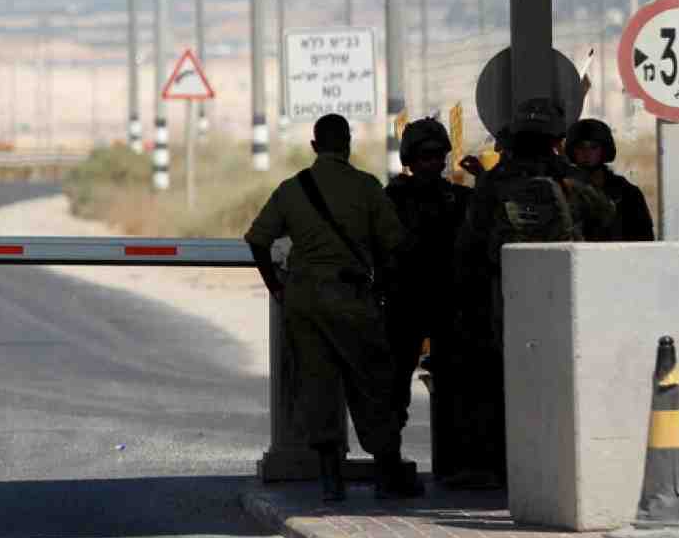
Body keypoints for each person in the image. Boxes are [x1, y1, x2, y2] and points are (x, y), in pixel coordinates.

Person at [245, 113, 421, 502]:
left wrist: (276, 286)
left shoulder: (292, 190)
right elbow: (394, 246)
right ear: (348, 144)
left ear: (314, 146)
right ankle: (385, 476)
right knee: (373, 383)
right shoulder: (366, 187)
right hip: (353, 298)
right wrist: (385, 290)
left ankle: (330, 482)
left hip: (304, 302)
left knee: (317, 383)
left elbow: (257, 238)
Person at [452, 97, 587, 489]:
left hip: (506, 297)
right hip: (567, 295)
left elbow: (469, 246)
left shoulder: (495, 183)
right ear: (556, 139)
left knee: (506, 381)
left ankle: (508, 467)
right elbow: (604, 228)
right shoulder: (572, 182)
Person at [383, 118, 471, 439]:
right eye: (425, 157)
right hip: (405, 302)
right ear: (410, 160)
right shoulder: (392, 200)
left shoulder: (458, 199)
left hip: (447, 302)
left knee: (455, 385)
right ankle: (388, 457)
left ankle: (454, 459)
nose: (433, 164)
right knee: (392, 388)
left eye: (437, 156)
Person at [564, 117, 654, 242]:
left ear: (604, 150)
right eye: (581, 147)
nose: (587, 153)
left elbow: (644, 241)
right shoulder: (563, 190)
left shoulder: (627, 193)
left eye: (593, 147)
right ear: (573, 151)